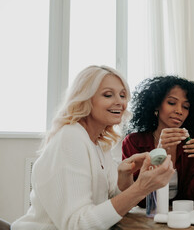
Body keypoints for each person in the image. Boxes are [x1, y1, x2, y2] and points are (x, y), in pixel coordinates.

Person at [11, 66, 174, 230]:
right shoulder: (70, 137)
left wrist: (124, 179)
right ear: (85, 99)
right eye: (108, 95)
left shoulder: (99, 145)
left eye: (123, 95)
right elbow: (77, 225)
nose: (120, 102)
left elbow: (109, 205)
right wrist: (141, 188)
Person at [122, 76, 194, 207]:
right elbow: (141, 200)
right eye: (171, 103)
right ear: (156, 104)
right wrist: (160, 153)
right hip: (146, 219)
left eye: (186, 106)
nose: (179, 111)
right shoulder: (134, 142)